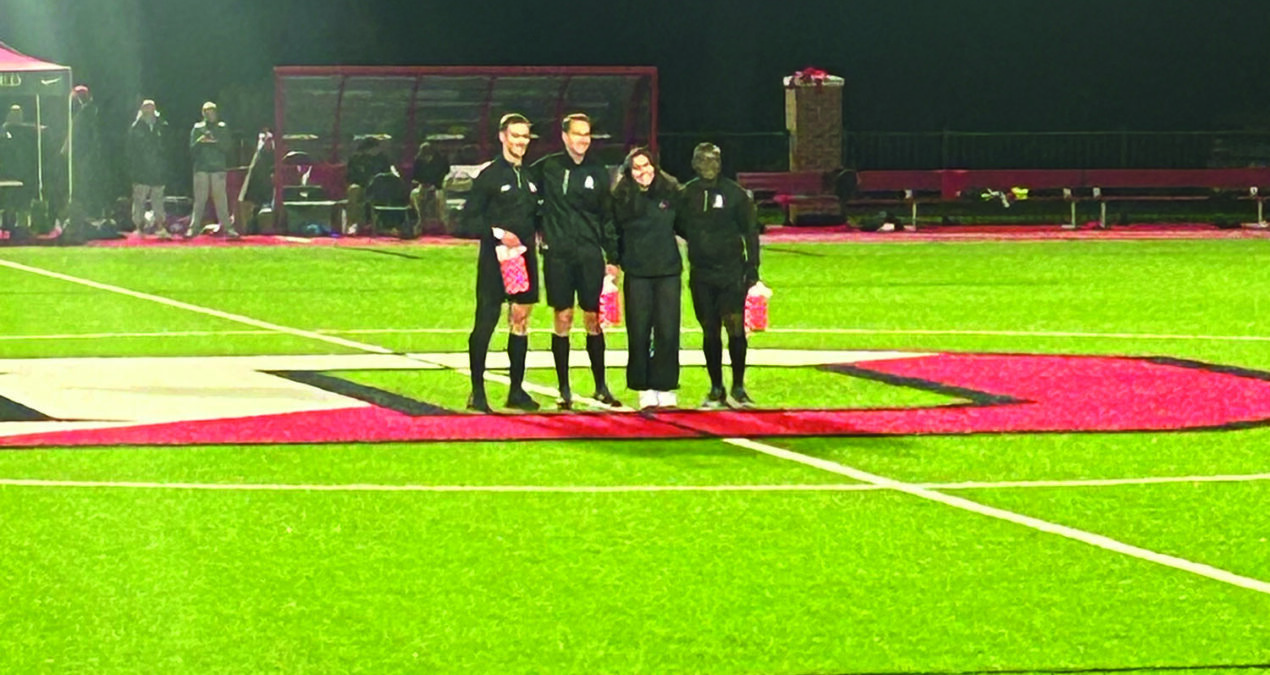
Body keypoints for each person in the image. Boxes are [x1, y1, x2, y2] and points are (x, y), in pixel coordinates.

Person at [530, 113, 621, 410]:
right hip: (558, 255)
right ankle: (564, 389)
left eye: (587, 134)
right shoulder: (547, 167)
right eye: (577, 133)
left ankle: (600, 386)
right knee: (563, 318)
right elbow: (525, 195)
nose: (583, 139)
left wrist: (613, 257)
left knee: (594, 319)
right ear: (565, 136)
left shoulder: (598, 169)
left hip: (590, 254)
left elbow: (607, 216)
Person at [460, 113, 542, 413]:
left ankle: (516, 391)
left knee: (520, 320)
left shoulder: (532, 176)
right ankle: (477, 392)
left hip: (523, 259)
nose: (520, 141)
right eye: (515, 135)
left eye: (525, 137)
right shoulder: (490, 176)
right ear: (502, 137)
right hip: (495, 260)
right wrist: (497, 233)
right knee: (486, 321)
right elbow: (466, 220)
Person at [674, 142, 761, 408]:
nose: (708, 166)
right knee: (709, 330)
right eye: (703, 161)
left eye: (713, 161)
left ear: (721, 164)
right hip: (701, 273)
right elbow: (678, 225)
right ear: (694, 164)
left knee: (735, 327)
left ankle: (738, 386)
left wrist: (753, 268)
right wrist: (700, 244)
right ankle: (716, 388)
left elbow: (750, 232)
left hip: (732, 272)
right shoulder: (686, 194)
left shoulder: (736, 195)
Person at [611, 147, 683, 409]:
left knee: (668, 330)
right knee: (639, 331)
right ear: (629, 172)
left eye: (647, 165)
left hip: (668, 272)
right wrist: (613, 263)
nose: (644, 172)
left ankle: (666, 386)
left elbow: (686, 224)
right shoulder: (621, 197)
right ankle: (643, 387)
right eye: (637, 168)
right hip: (637, 272)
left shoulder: (671, 191)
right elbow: (613, 233)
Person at [187, 101, 236, 238]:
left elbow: (228, 148)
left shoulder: (222, 128)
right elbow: (191, 150)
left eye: (212, 112)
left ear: (216, 113)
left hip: (218, 167)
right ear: (203, 114)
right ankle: (193, 227)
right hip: (201, 167)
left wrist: (215, 141)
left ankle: (227, 227)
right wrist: (200, 141)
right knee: (200, 200)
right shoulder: (197, 128)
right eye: (207, 113)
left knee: (221, 199)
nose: (210, 116)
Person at [126, 99, 170, 238]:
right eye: (146, 109)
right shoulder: (136, 127)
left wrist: (163, 164)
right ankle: (139, 227)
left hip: (158, 170)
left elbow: (167, 147)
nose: (148, 112)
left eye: (151, 109)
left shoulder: (162, 126)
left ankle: (160, 226)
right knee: (139, 200)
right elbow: (130, 151)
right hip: (141, 170)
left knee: (158, 199)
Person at [0, 105, 37, 231]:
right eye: (15, 113)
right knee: (7, 197)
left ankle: (21, 225)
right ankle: (7, 222)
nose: (17, 116)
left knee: (22, 197)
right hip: (8, 169)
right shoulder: (6, 127)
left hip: (23, 169)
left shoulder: (25, 131)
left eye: (19, 113)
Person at [410, 141, 450, 230]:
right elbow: (415, 176)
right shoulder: (418, 161)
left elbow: (444, 174)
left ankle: (442, 222)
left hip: (438, 186)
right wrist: (421, 184)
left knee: (439, 197)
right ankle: (420, 219)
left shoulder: (441, 161)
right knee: (415, 195)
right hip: (423, 185)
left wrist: (434, 185)